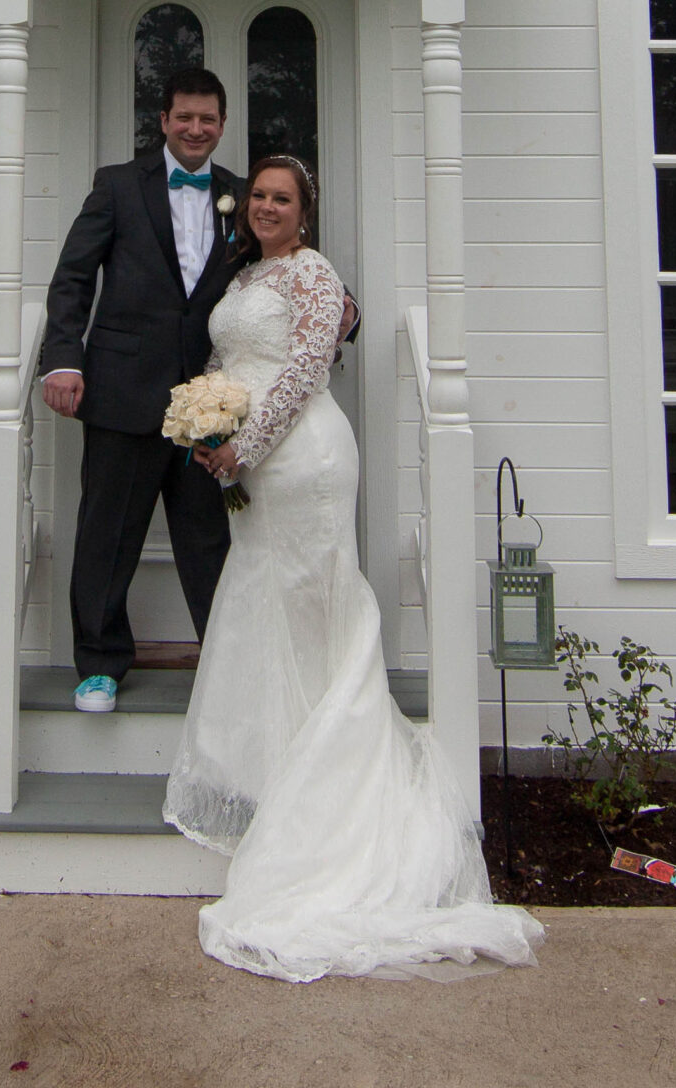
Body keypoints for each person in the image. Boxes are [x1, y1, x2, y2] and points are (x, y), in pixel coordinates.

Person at [165, 154, 544, 982]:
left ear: (307, 210)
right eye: (259, 196)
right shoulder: (245, 271)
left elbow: (303, 370)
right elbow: (236, 366)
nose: (268, 207)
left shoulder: (313, 272)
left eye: (283, 198)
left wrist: (245, 446)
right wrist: (209, 429)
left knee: (309, 603)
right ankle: (284, 765)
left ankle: (328, 785)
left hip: (302, 457)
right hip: (253, 464)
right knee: (274, 607)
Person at [40, 69, 248, 713]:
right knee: (108, 533)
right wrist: (62, 360)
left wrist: (336, 307)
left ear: (221, 124)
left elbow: (280, 268)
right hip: (122, 392)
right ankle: (100, 664)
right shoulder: (116, 186)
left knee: (209, 541)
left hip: (206, 406)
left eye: (208, 119)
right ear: (163, 120)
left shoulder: (242, 196)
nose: (195, 129)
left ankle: (225, 666)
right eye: (184, 117)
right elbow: (73, 278)